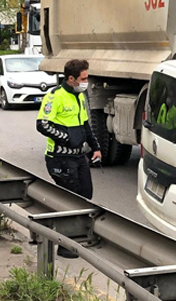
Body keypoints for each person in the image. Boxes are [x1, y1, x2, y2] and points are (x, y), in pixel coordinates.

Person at [36, 59, 101, 258]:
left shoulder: (79, 97)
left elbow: (85, 126)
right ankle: (65, 245)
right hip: (59, 159)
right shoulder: (55, 96)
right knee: (70, 201)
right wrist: (67, 138)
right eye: (83, 78)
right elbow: (42, 124)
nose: (86, 82)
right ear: (71, 78)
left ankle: (75, 240)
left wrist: (95, 148)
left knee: (85, 195)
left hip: (79, 157)